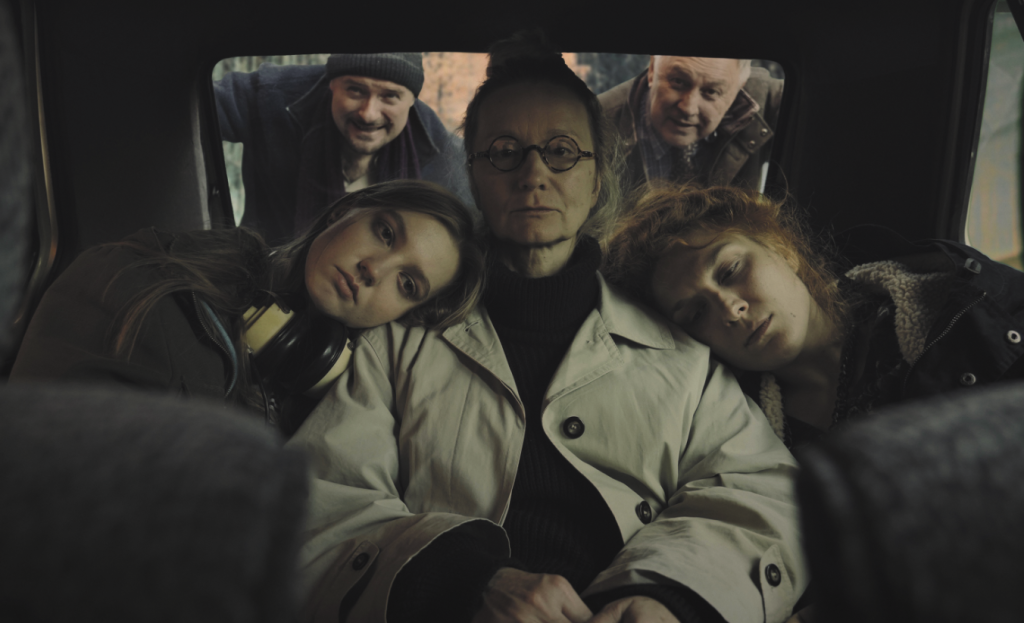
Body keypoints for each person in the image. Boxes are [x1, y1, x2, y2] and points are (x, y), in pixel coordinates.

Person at [289, 35, 807, 623]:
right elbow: (320, 505)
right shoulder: (396, 344)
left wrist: (671, 596)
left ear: (597, 178)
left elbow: (767, 493)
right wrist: (464, 583)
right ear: (474, 176)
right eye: (504, 151)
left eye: (561, 151)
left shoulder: (682, 356)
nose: (533, 173)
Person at [10, 180, 484, 435]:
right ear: (345, 211)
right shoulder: (142, 280)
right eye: (385, 233)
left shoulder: (346, 411)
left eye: (407, 283)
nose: (373, 269)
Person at [604, 183, 1024, 450]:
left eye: (731, 271)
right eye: (696, 313)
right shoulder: (740, 436)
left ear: (781, 248)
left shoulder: (956, 304)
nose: (731, 309)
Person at [215, 53, 474, 244]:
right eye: (355, 90)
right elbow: (196, 107)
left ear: (412, 100)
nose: (368, 114)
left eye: (389, 96)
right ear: (331, 84)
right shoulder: (272, 95)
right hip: (268, 276)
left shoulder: (448, 162)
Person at [598, 57, 782, 193]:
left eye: (711, 91)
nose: (688, 108)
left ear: (740, 87)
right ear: (652, 70)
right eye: (678, 82)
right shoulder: (597, 126)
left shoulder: (768, 99)